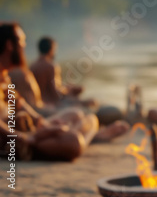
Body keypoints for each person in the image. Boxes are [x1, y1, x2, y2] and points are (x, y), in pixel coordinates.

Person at [0, 23, 129, 161]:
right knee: (74, 141)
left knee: (77, 115)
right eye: (22, 41)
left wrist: (42, 122)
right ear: (9, 45)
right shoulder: (49, 66)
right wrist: (25, 137)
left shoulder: (6, 75)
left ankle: (84, 136)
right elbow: (56, 93)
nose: (24, 46)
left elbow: (20, 103)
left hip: (25, 129)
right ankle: (92, 137)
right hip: (12, 140)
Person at [29, 36, 97, 108]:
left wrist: (66, 87)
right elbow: (55, 93)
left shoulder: (32, 66)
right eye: (54, 49)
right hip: (53, 103)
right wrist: (68, 90)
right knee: (92, 101)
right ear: (51, 49)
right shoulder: (51, 66)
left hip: (40, 101)